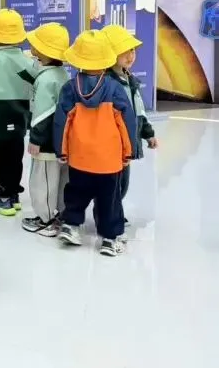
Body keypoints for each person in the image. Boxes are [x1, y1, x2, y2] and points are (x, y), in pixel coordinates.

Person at [54, 31, 136, 257]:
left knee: (76, 193)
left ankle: (71, 226)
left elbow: (61, 121)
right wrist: (128, 152)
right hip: (109, 160)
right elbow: (126, 122)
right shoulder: (114, 88)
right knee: (110, 200)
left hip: (79, 157)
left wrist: (61, 150)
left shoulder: (70, 88)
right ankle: (110, 239)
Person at [0, 9, 38, 216]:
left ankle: (3, 198)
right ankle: (13, 195)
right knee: (15, 155)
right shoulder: (27, 60)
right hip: (21, 115)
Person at [19, 22, 71, 236]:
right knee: (61, 181)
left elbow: (42, 113)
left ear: (43, 51)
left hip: (47, 143)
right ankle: (59, 214)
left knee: (43, 181)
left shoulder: (46, 80)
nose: (31, 46)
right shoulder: (61, 74)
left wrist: (36, 139)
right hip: (61, 139)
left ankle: (46, 219)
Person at [101, 24, 158, 212]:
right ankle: (108, 215)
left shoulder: (129, 80)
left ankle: (112, 211)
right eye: (124, 51)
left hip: (126, 145)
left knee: (122, 183)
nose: (130, 55)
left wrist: (148, 134)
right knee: (111, 182)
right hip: (112, 144)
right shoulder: (106, 83)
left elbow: (138, 111)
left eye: (132, 50)